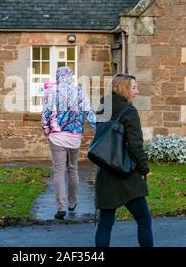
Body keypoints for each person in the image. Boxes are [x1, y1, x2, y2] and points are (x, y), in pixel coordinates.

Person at [95, 73, 153, 247]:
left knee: (105, 223)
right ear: (124, 88)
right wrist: (144, 169)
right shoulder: (129, 111)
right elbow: (136, 145)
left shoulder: (103, 107)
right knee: (144, 220)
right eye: (134, 88)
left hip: (106, 170)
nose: (137, 91)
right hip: (126, 174)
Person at [42, 67, 97, 220]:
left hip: (57, 137)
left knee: (59, 171)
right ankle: (73, 202)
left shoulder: (51, 92)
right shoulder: (80, 92)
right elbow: (89, 112)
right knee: (73, 169)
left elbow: (45, 114)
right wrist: (99, 129)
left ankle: (61, 207)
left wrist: (47, 130)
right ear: (71, 77)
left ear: (58, 77)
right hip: (74, 137)